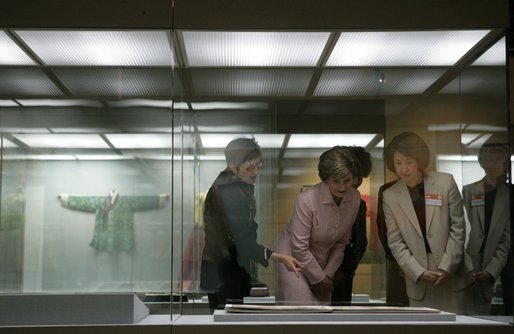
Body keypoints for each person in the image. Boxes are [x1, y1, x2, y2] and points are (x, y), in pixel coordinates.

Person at [200, 137, 302, 312]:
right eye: (249, 168)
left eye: (258, 165)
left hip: (227, 269)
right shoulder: (228, 191)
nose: (255, 172)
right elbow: (243, 240)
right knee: (228, 325)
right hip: (224, 272)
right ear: (233, 167)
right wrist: (280, 257)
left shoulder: (234, 184)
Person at [382, 132, 466, 313]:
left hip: (451, 271)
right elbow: (395, 241)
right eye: (398, 163)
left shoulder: (445, 182)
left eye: (409, 162)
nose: (403, 168)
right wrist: (417, 272)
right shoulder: (390, 195)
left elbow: (458, 228)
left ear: (419, 160)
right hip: (418, 278)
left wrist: (447, 267)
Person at [275, 145, 362, 305]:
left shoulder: (355, 198)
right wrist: (319, 278)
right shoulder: (306, 199)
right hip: (293, 256)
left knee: (322, 307)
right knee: (302, 306)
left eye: (347, 180)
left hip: (324, 257)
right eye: (336, 181)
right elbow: (299, 247)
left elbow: (341, 243)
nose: (342, 187)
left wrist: (327, 276)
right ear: (326, 178)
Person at [463, 138, 511, 314]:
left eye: (507, 162)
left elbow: (507, 239)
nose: (506, 167)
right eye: (502, 162)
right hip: (470, 263)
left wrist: (491, 270)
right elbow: (460, 231)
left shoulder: (509, 193)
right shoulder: (468, 191)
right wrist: (468, 267)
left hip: (499, 264)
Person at [331, 146, 372, 305]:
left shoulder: (359, 204)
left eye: (360, 177)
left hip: (342, 273)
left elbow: (360, 243)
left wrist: (343, 271)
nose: (357, 182)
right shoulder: (315, 198)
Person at [376, 180, 410, 306]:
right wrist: (397, 260)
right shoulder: (388, 189)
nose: (404, 168)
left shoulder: (431, 186)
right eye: (399, 162)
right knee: (399, 306)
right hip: (397, 256)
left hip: (430, 258)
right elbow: (383, 228)